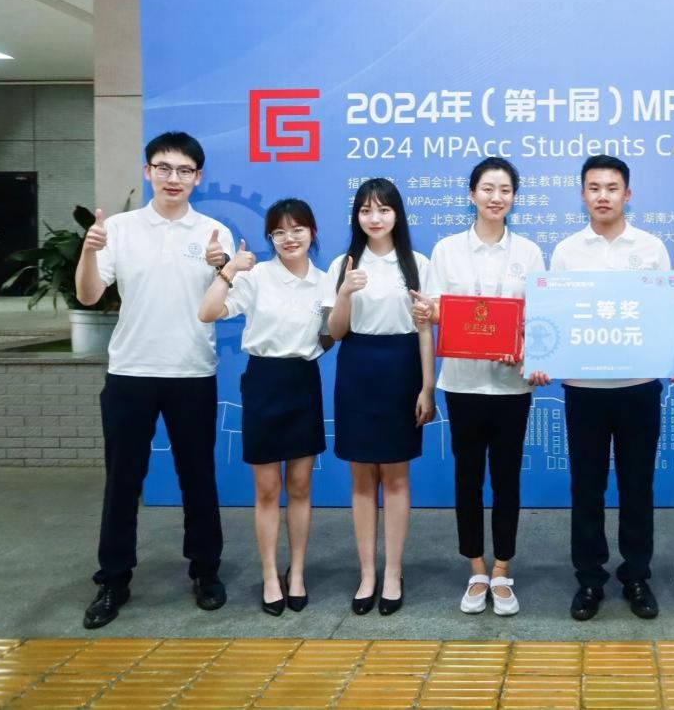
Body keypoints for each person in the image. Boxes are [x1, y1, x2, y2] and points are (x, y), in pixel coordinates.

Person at [74, 131, 233, 629]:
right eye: (163, 168)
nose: (173, 178)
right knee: (122, 481)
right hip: (131, 372)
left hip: (192, 371)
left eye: (184, 170)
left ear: (198, 177)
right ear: (148, 171)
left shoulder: (215, 232)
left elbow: (226, 303)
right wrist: (88, 251)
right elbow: (88, 296)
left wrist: (223, 268)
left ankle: (205, 570)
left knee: (198, 477)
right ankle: (113, 578)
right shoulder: (119, 229)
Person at [410, 157, 547, 617]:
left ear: (514, 197)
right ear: (471, 194)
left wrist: (522, 347)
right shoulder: (447, 250)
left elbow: (538, 318)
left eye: (505, 190)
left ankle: (502, 570)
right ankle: (476, 569)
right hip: (463, 385)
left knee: (507, 480)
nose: (496, 197)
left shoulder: (528, 252)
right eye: (487, 188)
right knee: (467, 478)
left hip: (511, 386)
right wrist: (429, 313)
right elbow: (434, 312)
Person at [197, 198, 334, 616]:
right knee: (268, 489)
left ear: (312, 232)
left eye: (297, 229)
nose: (289, 238)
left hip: (303, 382)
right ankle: (271, 574)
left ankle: (297, 573)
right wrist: (229, 270)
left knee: (300, 486)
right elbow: (208, 311)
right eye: (279, 232)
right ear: (270, 237)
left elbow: (332, 333)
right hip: (262, 381)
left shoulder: (325, 282)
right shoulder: (256, 277)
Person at [550, 155, 671, 621]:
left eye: (612, 187)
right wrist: (545, 359)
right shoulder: (566, 252)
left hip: (639, 387)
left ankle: (636, 575)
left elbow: (664, 314)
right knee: (587, 488)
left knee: (638, 486)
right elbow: (554, 318)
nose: (603, 196)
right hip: (583, 389)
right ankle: (590, 579)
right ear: (583, 194)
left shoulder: (651, 248)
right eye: (594, 187)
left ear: (628, 194)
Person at [327, 178, 435, 616]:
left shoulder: (417, 264)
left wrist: (427, 386)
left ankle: (393, 572)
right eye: (366, 210)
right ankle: (367, 573)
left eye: (384, 210)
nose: (375, 218)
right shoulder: (343, 264)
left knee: (395, 476)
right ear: (356, 216)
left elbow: (425, 329)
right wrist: (345, 292)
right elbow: (334, 333)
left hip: (402, 369)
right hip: (357, 368)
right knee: (360, 478)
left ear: (397, 215)